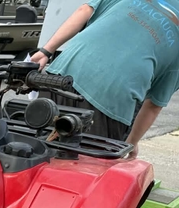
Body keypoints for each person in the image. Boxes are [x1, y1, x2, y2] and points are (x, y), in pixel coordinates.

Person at [30, 0, 179, 156]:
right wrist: (131, 142)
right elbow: (154, 105)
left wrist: (46, 51)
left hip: (67, 69)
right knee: (86, 164)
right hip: (112, 96)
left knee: (32, 150)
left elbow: (84, 10)